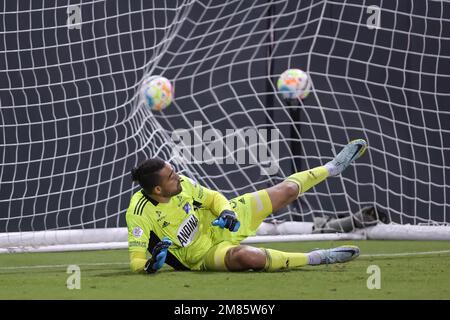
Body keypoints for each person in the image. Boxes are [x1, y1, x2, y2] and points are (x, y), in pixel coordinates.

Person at [126, 139, 367, 274]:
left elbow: (211, 198)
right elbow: (136, 261)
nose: (177, 176)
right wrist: (150, 265)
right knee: (247, 257)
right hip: (202, 255)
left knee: (287, 191)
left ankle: (332, 167)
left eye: (174, 171)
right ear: (157, 190)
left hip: (219, 224)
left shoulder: (182, 183)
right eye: (170, 177)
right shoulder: (138, 213)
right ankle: (316, 258)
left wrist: (226, 212)